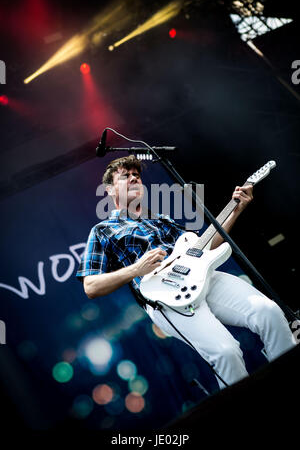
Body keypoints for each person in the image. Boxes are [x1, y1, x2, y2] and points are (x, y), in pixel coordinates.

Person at [76, 155, 296, 388]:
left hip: (202, 278)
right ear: (110, 190)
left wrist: (236, 210)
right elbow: (91, 287)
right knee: (226, 352)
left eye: (137, 176)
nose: (133, 179)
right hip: (167, 300)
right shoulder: (102, 231)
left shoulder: (161, 219)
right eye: (125, 176)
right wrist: (136, 269)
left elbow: (205, 247)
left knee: (268, 311)